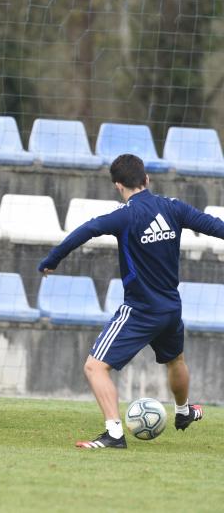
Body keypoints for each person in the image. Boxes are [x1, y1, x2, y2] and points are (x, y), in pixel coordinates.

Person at [38, 154, 214, 448]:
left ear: (118, 186)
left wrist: (52, 259)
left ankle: (115, 434)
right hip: (171, 308)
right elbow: (213, 225)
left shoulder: (124, 215)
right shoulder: (174, 208)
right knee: (176, 360)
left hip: (141, 310)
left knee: (94, 367)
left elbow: (86, 230)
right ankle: (183, 412)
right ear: (146, 180)